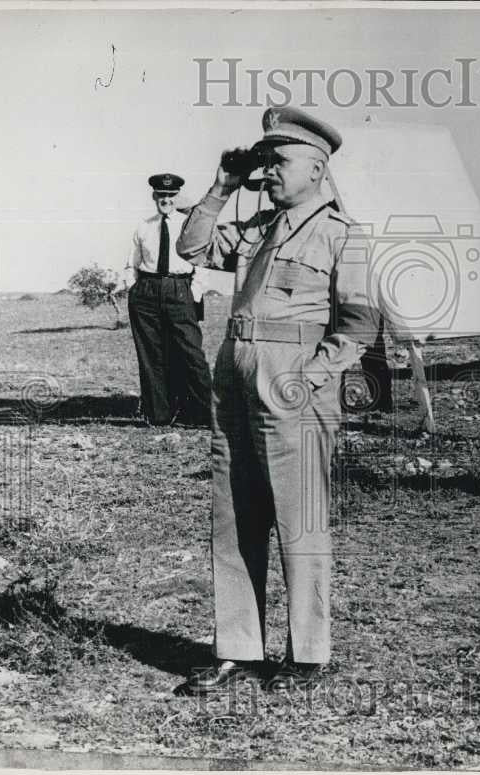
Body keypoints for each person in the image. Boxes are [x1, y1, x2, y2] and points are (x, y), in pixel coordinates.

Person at [176, 107, 379, 692]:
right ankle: (238, 648)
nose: (267, 171)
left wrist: (312, 377)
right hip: (236, 372)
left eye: (279, 160)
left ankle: (308, 653)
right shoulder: (258, 225)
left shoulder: (341, 233)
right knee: (233, 514)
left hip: (294, 380)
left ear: (316, 168)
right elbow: (192, 249)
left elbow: (361, 322)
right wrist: (221, 188)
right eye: (264, 160)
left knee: (298, 519)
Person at [127, 173, 212, 426]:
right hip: (147, 291)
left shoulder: (189, 225)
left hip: (180, 290)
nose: (166, 200)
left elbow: (203, 262)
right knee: (151, 354)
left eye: (170, 195)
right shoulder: (144, 226)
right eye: (161, 195)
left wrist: (193, 294)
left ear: (177, 196)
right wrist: (134, 289)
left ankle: (204, 414)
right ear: (154, 196)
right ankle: (159, 415)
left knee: (190, 352)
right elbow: (131, 263)